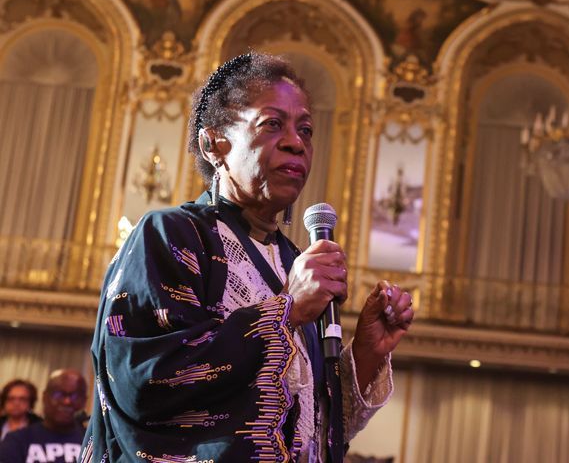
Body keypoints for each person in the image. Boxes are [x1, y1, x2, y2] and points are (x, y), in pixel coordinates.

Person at [81, 52, 415, 462]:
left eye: (306, 130)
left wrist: (366, 352)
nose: (297, 142)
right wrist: (285, 312)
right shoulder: (171, 234)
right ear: (214, 143)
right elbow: (146, 383)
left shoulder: (295, 262)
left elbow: (312, 429)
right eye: (272, 124)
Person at [0, 369, 86, 462]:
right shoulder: (16, 440)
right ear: (45, 397)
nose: (67, 401)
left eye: (75, 396)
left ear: (84, 400)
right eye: (58, 394)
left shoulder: (95, 441)